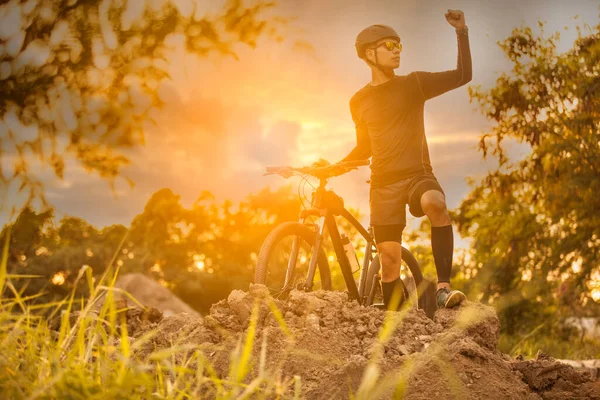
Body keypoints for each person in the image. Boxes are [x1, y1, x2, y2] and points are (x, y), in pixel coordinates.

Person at [318, 10, 472, 310]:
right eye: (390, 45)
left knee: (435, 203)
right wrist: (332, 167)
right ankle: (392, 324)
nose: (397, 50)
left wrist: (461, 31)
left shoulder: (413, 84)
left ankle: (442, 289)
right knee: (389, 261)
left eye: (399, 45)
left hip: (417, 175)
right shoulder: (358, 101)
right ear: (369, 53)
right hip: (383, 184)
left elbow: (463, 76)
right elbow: (364, 148)